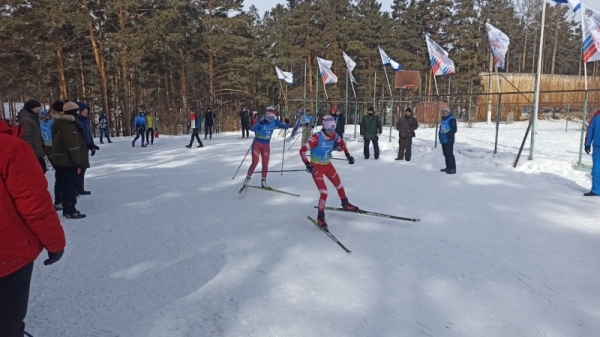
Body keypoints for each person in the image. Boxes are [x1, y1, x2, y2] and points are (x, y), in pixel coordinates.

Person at [0, 119, 66, 337]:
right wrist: (55, 243)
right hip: (7, 256)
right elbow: (34, 204)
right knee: (7, 322)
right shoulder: (11, 148)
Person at [300, 115, 359, 229]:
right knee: (324, 192)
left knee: (339, 184)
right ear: (324, 128)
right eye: (330, 130)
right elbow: (302, 151)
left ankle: (345, 204)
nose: (332, 132)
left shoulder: (335, 135)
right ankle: (320, 217)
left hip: (328, 165)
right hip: (316, 168)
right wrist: (307, 164)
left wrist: (347, 155)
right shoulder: (316, 138)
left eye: (333, 129)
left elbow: (342, 144)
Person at [51, 101, 88, 218]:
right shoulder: (68, 125)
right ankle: (70, 210)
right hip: (68, 161)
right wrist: (78, 161)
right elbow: (73, 145)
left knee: (65, 184)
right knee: (70, 185)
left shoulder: (61, 122)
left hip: (62, 159)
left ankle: (67, 208)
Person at [243, 106, 289, 188]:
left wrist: (287, 122)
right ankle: (248, 178)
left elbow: (285, 127)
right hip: (257, 144)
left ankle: (263, 181)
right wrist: (260, 123)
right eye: (269, 116)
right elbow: (252, 129)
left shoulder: (274, 121)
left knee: (265, 163)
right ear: (266, 114)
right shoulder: (261, 119)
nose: (271, 118)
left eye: (272, 116)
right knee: (255, 162)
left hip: (266, 145)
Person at [43, 101, 64, 210]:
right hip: (55, 149)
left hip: (48, 148)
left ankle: (60, 199)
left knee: (60, 175)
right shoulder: (54, 121)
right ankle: (59, 200)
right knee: (61, 175)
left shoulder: (44, 120)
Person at [76, 102, 99, 195]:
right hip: (78, 148)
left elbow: (88, 135)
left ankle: (80, 188)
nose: (86, 113)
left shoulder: (85, 121)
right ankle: (75, 189)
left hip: (85, 147)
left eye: (87, 111)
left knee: (83, 168)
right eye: (84, 111)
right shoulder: (76, 121)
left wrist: (92, 145)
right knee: (78, 169)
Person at [17, 99, 47, 173]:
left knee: (42, 170)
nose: (39, 109)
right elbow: (25, 137)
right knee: (39, 171)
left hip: (37, 149)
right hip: (33, 151)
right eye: (37, 107)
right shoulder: (25, 120)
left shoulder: (33, 117)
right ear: (31, 108)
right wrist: (30, 152)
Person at [584, 109, 600, 196]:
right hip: (598, 148)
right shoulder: (597, 114)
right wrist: (587, 143)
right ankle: (596, 190)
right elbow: (591, 129)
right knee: (596, 170)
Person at [439, 107, 457, 174]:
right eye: (442, 113)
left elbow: (454, 129)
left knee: (449, 154)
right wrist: (440, 135)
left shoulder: (451, 119)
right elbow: (441, 128)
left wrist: (448, 135)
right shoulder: (443, 119)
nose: (443, 114)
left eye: (444, 113)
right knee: (445, 154)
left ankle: (453, 168)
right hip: (443, 139)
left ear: (447, 113)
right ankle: (448, 167)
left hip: (449, 140)